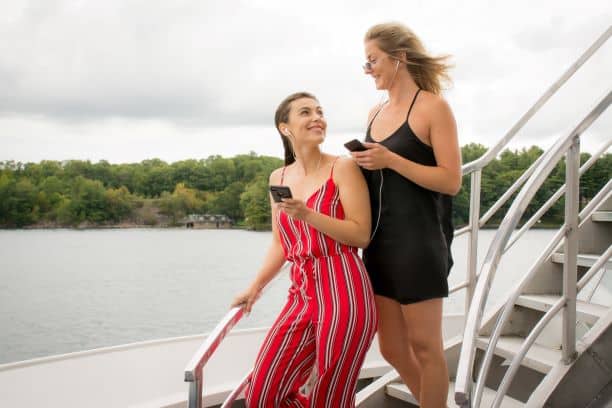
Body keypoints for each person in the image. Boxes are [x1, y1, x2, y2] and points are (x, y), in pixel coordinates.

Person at [232, 92, 377, 407]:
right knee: (262, 395)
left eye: (320, 111)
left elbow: (361, 234)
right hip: (300, 293)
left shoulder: (344, 168)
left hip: (345, 290)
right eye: (305, 112)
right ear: (285, 128)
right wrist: (255, 287)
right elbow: (281, 243)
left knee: (330, 397)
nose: (317, 118)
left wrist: (308, 214)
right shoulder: (278, 178)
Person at [351, 22, 461, 408]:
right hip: (379, 245)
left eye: (373, 61)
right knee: (393, 348)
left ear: (399, 58)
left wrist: (390, 160)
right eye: (365, 64)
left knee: (426, 347)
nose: (369, 70)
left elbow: (451, 180)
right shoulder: (374, 111)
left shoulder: (433, 107)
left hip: (420, 243)